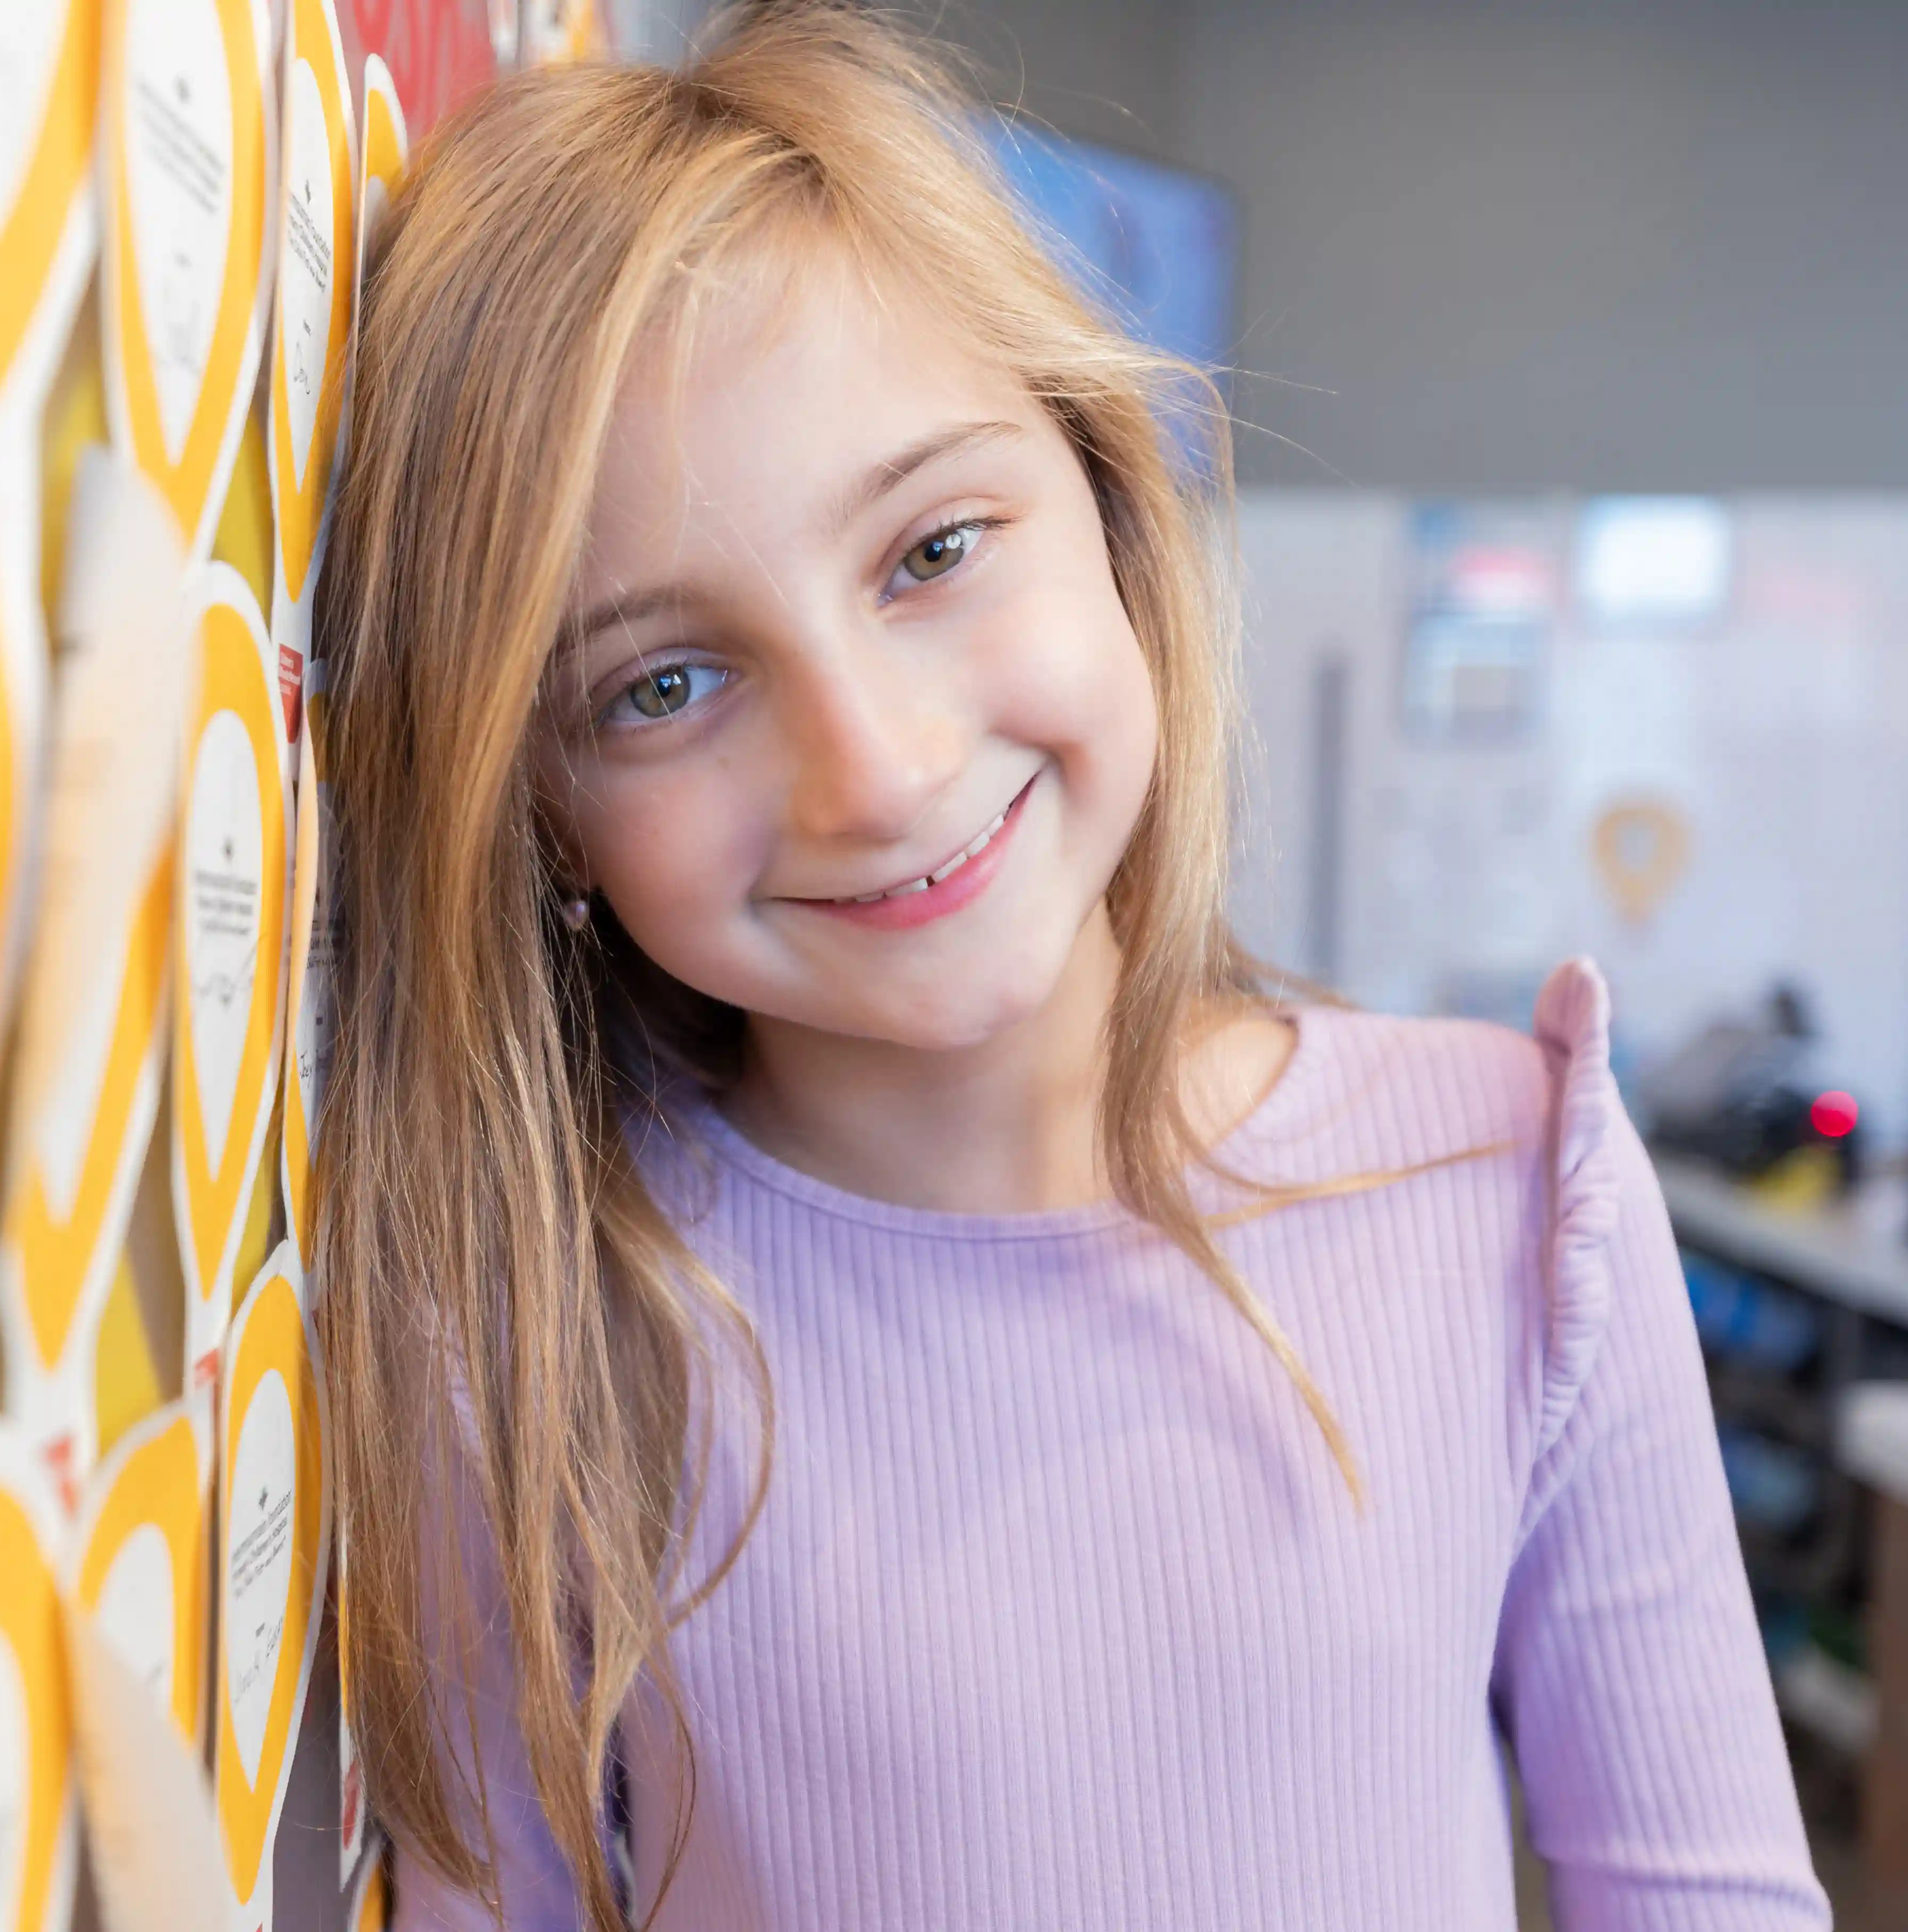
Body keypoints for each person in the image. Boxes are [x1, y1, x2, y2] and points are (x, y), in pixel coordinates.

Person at [305, 6, 1829, 1927]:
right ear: (537, 806)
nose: (879, 768)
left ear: (1114, 510)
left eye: (934, 547)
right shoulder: (526, 1337)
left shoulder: (1511, 1181)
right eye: (663, 685)